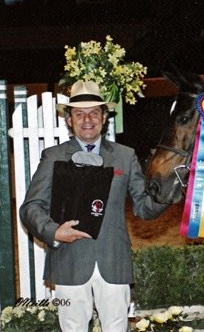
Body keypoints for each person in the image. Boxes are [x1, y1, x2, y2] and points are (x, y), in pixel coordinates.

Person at [20, 81, 168, 332]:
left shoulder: (125, 155)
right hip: (70, 260)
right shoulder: (53, 156)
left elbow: (143, 207)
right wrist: (54, 232)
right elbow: (30, 207)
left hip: (113, 261)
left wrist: (167, 194)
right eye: (79, 113)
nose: (87, 119)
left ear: (104, 117)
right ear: (69, 120)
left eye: (94, 113)